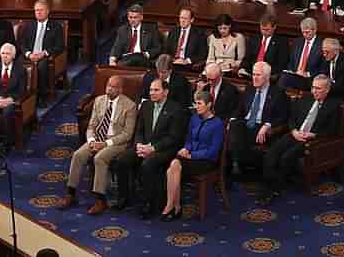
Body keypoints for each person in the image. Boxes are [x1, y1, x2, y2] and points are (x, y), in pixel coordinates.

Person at [58, 76, 137, 215]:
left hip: (116, 142)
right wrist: (92, 141)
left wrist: (105, 143)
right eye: (108, 86)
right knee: (78, 155)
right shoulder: (99, 100)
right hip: (97, 139)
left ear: (120, 89)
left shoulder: (129, 106)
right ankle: (71, 194)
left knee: (99, 158)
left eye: (113, 87)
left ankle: (100, 200)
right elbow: (91, 125)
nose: (109, 89)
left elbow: (127, 134)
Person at [259, 75, 341, 204]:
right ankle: (269, 185)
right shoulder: (305, 98)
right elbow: (292, 119)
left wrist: (313, 135)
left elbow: (333, 131)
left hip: (311, 141)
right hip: (295, 134)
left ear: (327, 90)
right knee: (272, 152)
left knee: (286, 157)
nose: (314, 91)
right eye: (313, 87)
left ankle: (274, 189)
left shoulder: (334, 106)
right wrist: (293, 131)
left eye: (318, 89)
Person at [114, 79, 186, 216]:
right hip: (144, 146)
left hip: (164, 149)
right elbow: (139, 130)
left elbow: (174, 138)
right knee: (122, 160)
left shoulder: (175, 109)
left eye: (156, 90)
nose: (152, 93)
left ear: (165, 92)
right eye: (151, 90)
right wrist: (139, 145)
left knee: (147, 165)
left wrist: (153, 148)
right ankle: (123, 198)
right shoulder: (146, 105)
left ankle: (148, 203)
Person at [161, 91, 223, 221]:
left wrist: (192, 155)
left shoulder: (217, 124)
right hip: (190, 156)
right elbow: (189, 139)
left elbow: (213, 151)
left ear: (209, 105)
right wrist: (186, 149)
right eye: (195, 103)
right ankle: (174, 206)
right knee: (173, 166)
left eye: (199, 104)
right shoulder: (194, 118)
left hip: (206, 161)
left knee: (173, 168)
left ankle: (172, 206)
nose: (196, 106)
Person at [228, 62, 288, 176]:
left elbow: (283, 117)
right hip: (245, 124)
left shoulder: (278, 93)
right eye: (253, 74)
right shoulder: (249, 88)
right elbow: (239, 109)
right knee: (234, 125)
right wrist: (232, 119)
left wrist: (268, 125)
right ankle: (235, 165)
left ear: (267, 77)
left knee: (235, 131)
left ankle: (236, 165)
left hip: (261, 128)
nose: (254, 78)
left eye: (258, 75)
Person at [20, 0, 64, 107]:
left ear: (47, 11)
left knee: (42, 66)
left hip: (44, 56)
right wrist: (28, 54)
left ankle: (42, 96)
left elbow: (59, 46)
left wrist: (44, 53)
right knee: (17, 65)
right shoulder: (29, 26)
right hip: (29, 55)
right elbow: (22, 44)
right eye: (36, 10)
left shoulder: (56, 26)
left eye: (41, 10)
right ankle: (22, 96)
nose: (38, 13)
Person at [278, 17, 323, 90]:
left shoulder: (321, 45)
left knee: (284, 79)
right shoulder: (297, 42)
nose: (305, 35)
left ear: (315, 30)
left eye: (307, 32)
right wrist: (292, 71)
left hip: (309, 79)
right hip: (295, 75)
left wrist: (308, 74)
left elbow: (323, 69)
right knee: (283, 76)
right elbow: (291, 61)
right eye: (303, 32)